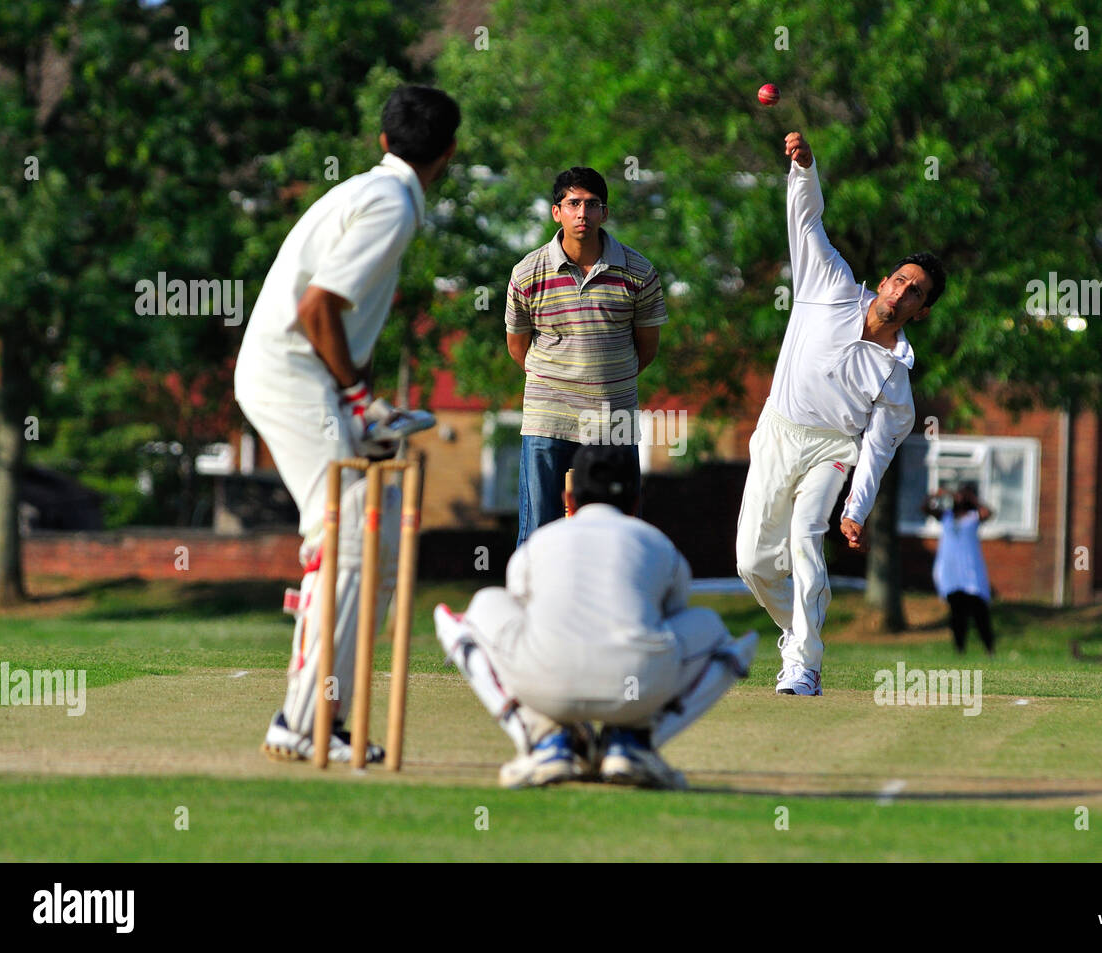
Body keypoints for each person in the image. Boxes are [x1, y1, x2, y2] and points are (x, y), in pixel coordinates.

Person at [234, 85, 460, 763]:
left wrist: (355, 401)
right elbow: (317, 309)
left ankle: (327, 713)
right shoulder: (390, 202)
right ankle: (300, 721)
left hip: (302, 375)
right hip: (291, 371)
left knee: (375, 532)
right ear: (448, 153)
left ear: (384, 140)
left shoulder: (373, 191)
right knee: (348, 530)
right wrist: (358, 396)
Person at [736, 131, 946, 696]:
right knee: (752, 562)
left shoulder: (896, 377)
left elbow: (876, 451)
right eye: (899, 280)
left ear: (920, 312)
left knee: (806, 537)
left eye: (915, 293)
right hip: (778, 431)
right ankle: (799, 632)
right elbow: (807, 222)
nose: (902, 293)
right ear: (883, 281)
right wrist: (804, 169)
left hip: (832, 450)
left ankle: (803, 663)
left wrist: (857, 510)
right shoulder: (826, 283)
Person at [434, 443, 757, 789]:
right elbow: (673, 613)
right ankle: (633, 743)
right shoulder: (658, 543)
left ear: (568, 501)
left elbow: (520, 606)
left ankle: (543, 739)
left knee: (478, 607)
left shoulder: (539, 541)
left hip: (544, 684)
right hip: (636, 689)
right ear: (634, 504)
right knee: (717, 630)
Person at [505, 167, 666, 547]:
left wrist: (605, 382)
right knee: (537, 535)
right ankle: (533, 606)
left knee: (622, 535)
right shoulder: (527, 273)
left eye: (592, 205)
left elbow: (648, 347)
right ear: (555, 211)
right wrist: (558, 382)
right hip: (548, 418)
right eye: (573, 203)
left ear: (604, 213)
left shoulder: (638, 272)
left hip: (614, 418)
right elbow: (518, 347)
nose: (583, 214)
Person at [923, 483, 995, 655]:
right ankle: (959, 649)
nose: (959, 498)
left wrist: (972, 499)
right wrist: (937, 494)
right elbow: (925, 508)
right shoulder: (946, 516)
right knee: (957, 613)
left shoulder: (973, 517)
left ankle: (989, 648)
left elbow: (989, 513)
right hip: (951, 571)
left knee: (979, 611)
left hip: (971, 571)